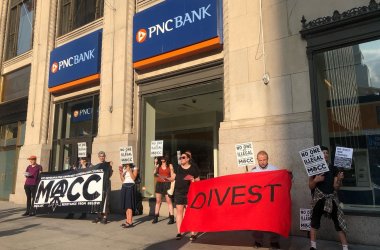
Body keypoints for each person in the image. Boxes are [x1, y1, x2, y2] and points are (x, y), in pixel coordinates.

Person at [309, 146, 348, 250]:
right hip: (318, 198)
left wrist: (339, 180)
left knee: (338, 222)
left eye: (326, 153)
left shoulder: (333, 168)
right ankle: (313, 247)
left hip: (331, 198)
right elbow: (310, 186)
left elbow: (336, 187)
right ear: (319, 155)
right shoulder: (314, 168)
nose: (325, 154)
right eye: (323, 153)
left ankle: (345, 247)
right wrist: (316, 180)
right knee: (314, 222)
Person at [251, 150, 281, 250]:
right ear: (257, 160)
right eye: (260, 160)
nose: (263, 162)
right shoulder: (253, 171)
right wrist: (246, 176)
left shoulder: (275, 169)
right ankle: (258, 241)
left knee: (273, 221)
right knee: (257, 222)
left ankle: (274, 242)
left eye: (264, 160)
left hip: (271, 201)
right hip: (258, 202)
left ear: (267, 159)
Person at [172, 152, 200, 241]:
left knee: (190, 213)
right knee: (179, 213)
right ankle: (179, 232)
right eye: (180, 157)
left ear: (188, 159)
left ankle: (193, 233)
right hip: (179, 192)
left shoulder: (193, 168)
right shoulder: (178, 168)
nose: (181, 159)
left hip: (190, 193)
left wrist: (193, 180)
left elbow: (198, 180)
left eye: (183, 157)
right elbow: (173, 177)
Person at [152, 156, 175, 224]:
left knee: (168, 201)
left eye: (164, 157)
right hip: (159, 184)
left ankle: (171, 217)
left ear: (166, 159)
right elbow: (154, 174)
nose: (162, 159)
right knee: (158, 201)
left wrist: (169, 177)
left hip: (167, 183)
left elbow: (172, 176)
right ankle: (156, 217)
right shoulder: (158, 165)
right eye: (161, 157)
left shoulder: (170, 165)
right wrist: (155, 165)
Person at [92, 151, 113, 224]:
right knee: (98, 201)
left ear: (105, 156)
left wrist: (110, 166)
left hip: (106, 185)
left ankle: (105, 217)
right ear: (98, 157)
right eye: (100, 156)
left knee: (105, 202)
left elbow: (110, 175)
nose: (102, 157)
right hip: (98, 186)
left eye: (103, 156)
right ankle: (98, 216)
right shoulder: (97, 166)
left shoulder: (108, 165)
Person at [119, 163, 139, 228]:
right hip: (124, 185)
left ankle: (130, 222)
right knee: (126, 205)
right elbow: (122, 180)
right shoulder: (122, 166)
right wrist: (121, 173)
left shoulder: (134, 167)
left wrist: (129, 170)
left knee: (129, 204)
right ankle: (127, 221)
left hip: (131, 186)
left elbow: (134, 178)